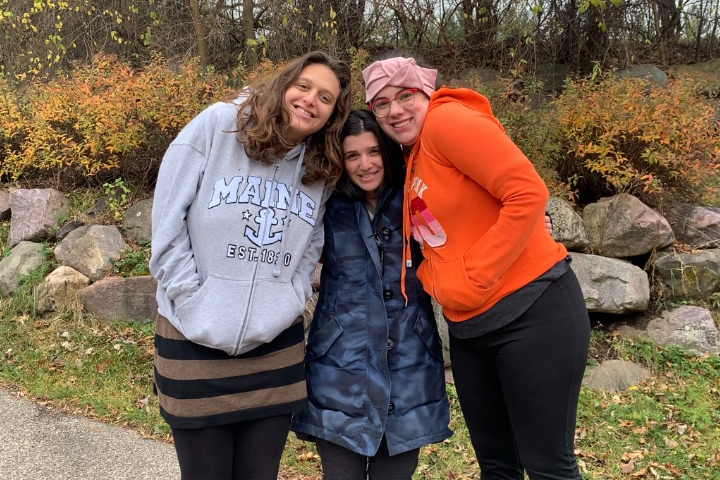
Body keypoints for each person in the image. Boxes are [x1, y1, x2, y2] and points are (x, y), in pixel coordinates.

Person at [362, 57, 591, 479]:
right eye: (381, 103)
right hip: (469, 331)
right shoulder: (412, 159)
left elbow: (526, 193)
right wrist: (443, 282)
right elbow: (436, 240)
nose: (395, 110)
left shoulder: (447, 122)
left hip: (533, 313)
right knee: (497, 467)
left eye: (405, 96)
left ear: (427, 92)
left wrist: (473, 276)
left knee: (548, 468)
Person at [149, 51, 352, 480]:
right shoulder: (216, 126)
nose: (310, 100)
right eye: (304, 86)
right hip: (192, 339)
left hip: (273, 349)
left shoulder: (320, 166)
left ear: (333, 114)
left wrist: (289, 299)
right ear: (284, 83)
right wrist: (191, 299)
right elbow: (167, 225)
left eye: (325, 97)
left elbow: (311, 243)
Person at [291, 110, 452, 480]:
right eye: (352, 155)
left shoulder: (417, 196)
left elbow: (461, 228)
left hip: (409, 368)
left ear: (388, 152)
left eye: (373, 151)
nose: (365, 164)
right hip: (339, 370)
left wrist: (535, 224)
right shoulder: (326, 204)